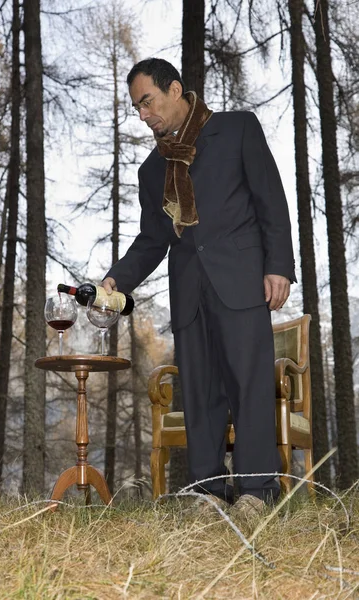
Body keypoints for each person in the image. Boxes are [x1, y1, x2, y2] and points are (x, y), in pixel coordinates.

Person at [102, 58, 296, 514]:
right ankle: (208, 492)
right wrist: (116, 280)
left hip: (242, 280)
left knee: (249, 386)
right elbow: (152, 240)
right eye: (136, 108)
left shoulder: (236, 129)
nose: (144, 114)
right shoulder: (152, 171)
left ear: (174, 90)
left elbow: (270, 197)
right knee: (199, 392)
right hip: (189, 290)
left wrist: (279, 266)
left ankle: (257, 492)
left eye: (147, 102)